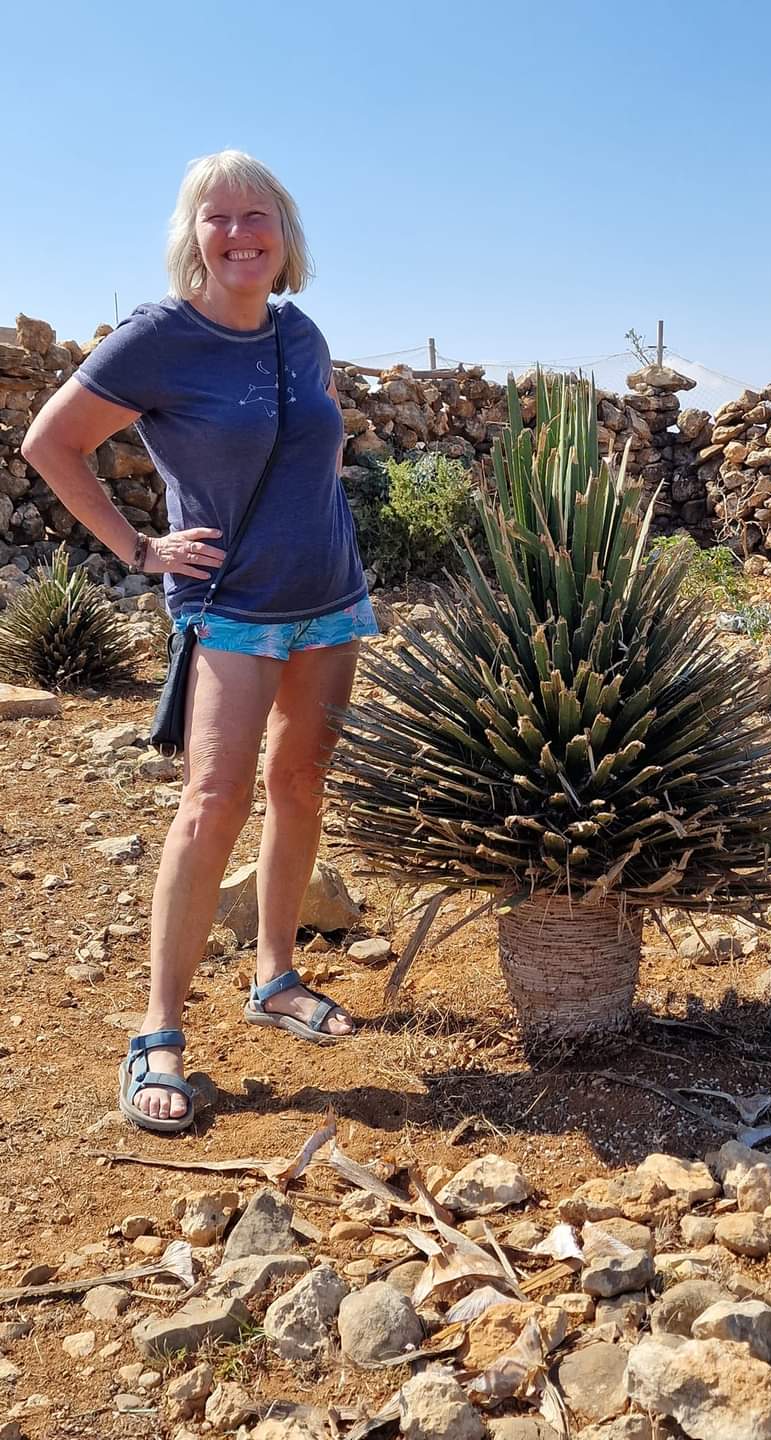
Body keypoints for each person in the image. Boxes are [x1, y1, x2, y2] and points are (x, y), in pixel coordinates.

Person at [22, 149, 375, 1133]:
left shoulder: (300, 336)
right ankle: (159, 1033)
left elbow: (322, 449)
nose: (238, 234)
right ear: (193, 235)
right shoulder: (160, 339)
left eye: (255, 216)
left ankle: (274, 975)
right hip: (229, 606)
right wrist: (140, 547)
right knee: (211, 801)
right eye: (216, 218)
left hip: (332, 600)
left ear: (283, 231)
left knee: (299, 784)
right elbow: (50, 443)